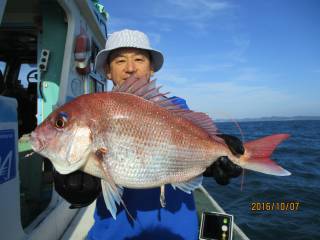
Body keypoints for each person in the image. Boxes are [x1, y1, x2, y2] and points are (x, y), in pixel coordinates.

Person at [53, 29, 244, 240]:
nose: (130, 68)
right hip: (114, 234)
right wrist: (78, 191)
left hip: (176, 233)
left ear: (151, 68)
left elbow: (194, 144)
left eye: (139, 59)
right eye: (120, 61)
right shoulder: (94, 109)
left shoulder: (175, 108)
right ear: (108, 70)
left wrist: (215, 158)